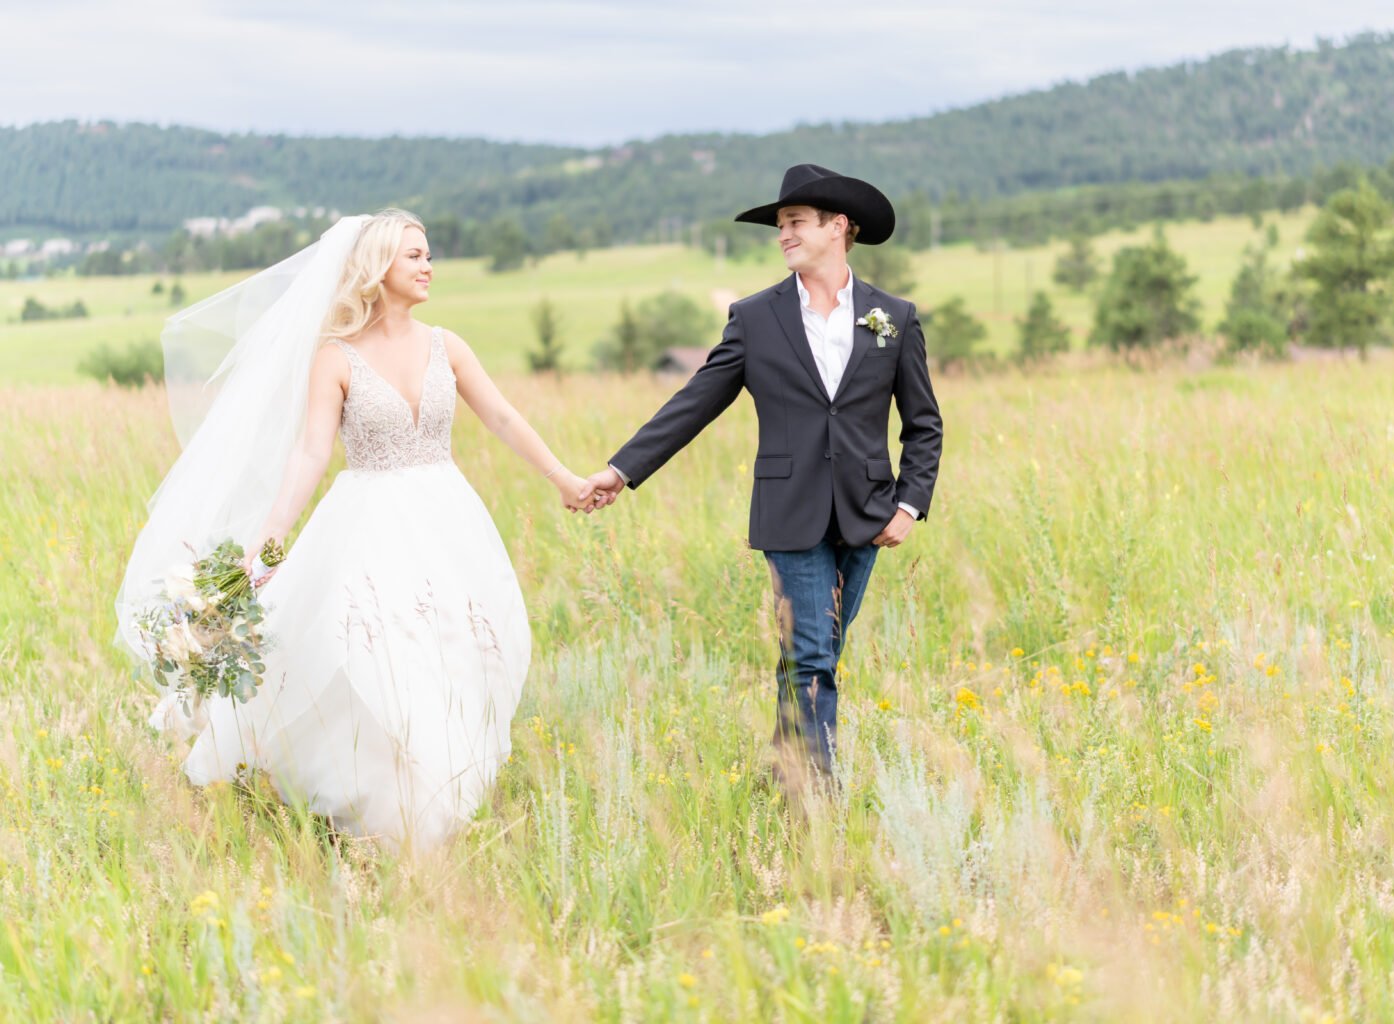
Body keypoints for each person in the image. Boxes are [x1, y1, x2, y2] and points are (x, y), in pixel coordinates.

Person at [118, 210, 592, 852]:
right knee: (376, 653)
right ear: (377, 270)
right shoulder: (334, 359)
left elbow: (503, 417)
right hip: (369, 523)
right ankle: (385, 804)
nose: (428, 266)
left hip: (448, 518)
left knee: (457, 647)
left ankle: (442, 788)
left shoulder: (446, 345)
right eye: (414, 257)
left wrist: (564, 478)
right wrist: (273, 542)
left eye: (429, 255)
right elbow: (311, 453)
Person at [581, 165, 943, 787]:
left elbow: (924, 423)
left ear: (839, 227)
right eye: (780, 226)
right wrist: (621, 469)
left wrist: (908, 505)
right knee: (811, 657)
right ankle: (818, 802)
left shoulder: (894, 317)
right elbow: (694, 402)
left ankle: (783, 774)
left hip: (868, 513)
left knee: (815, 655)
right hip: (788, 512)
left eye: (796, 223)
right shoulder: (754, 318)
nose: (784, 235)